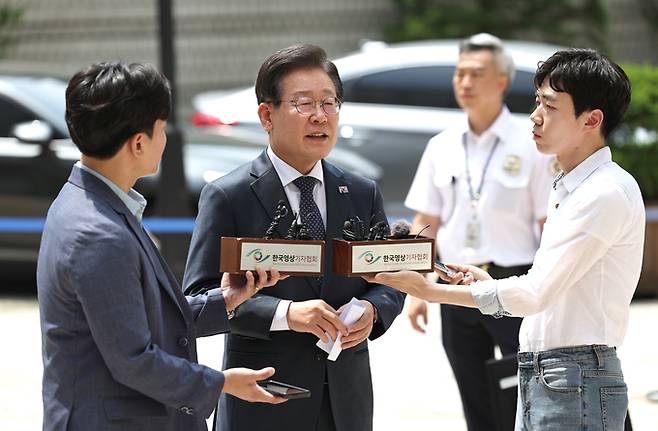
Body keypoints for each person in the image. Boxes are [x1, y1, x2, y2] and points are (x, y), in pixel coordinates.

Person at [373, 48, 643, 430]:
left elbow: (536, 292)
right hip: (551, 369)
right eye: (537, 102)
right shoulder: (571, 185)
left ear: (592, 119)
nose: (535, 116)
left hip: (574, 375)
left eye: (549, 106)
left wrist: (429, 291)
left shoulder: (603, 192)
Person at [37, 62, 286, 431]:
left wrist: (226, 299)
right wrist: (221, 383)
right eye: (161, 129)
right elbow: (134, 359)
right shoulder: (98, 232)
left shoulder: (86, 202)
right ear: (139, 142)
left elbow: (134, 319)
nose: (165, 139)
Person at [183, 44, 406, 431]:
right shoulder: (228, 196)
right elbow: (201, 299)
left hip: (345, 402)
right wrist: (286, 315)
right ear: (266, 115)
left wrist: (373, 312)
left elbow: (390, 278)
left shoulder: (360, 191)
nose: (320, 116)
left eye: (330, 103)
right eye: (304, 104)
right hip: (263, 398)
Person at [404, 33, 553, 430]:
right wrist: (420, 286)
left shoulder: (533, 141)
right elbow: (426, 219)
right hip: (454, 284)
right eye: (459, 74)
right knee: (474, 394)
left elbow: (547, 225)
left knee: (525, 389)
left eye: (476, 74)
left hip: (511, 281)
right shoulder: (441, 144)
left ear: (502, 81)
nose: (464, 83)